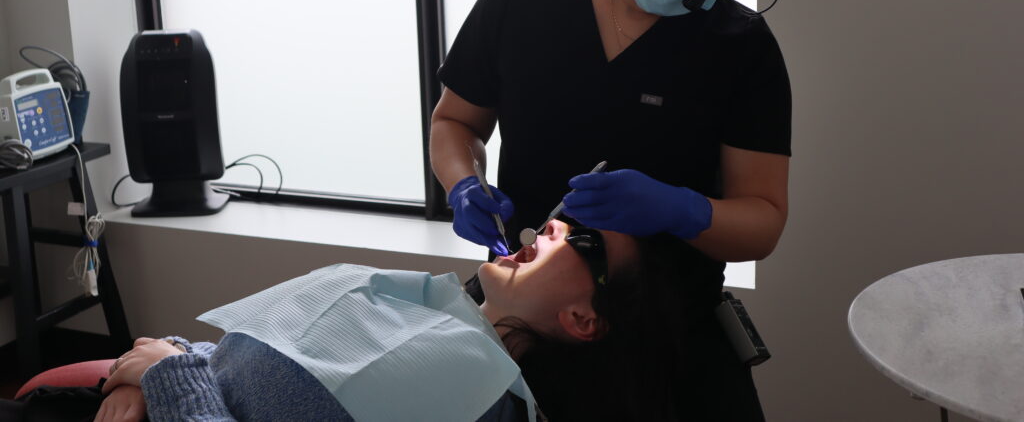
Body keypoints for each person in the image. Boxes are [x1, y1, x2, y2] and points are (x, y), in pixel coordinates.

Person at [431, 0, 790, 420]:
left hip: (672, 344)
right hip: (527, 325)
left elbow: (764, 220)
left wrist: (681, 209)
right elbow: (455, 122)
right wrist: (462, 183)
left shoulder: (741, 50)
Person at [3, 221, 678, 422]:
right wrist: (157, 361)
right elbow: (249, 350)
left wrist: (166, 371)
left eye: (583, 241)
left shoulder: (484, 403)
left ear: (585, 319)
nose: (553, 221)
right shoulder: (419, 298)